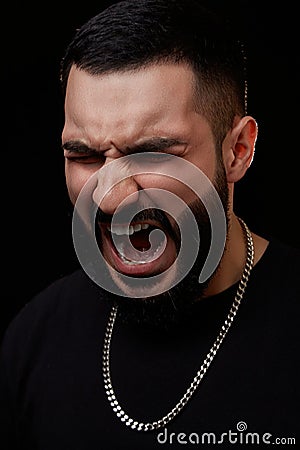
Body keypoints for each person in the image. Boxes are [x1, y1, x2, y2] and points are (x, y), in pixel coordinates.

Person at [1, 0, 299, 448]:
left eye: (155, 153)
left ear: (238, 150)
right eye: (84, 156)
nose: (113, 196)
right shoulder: (35, 338)